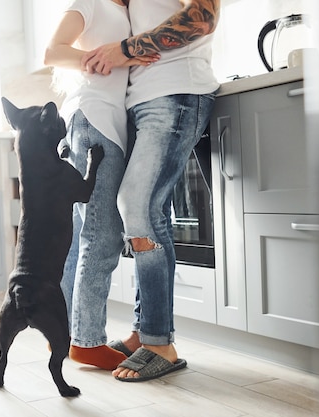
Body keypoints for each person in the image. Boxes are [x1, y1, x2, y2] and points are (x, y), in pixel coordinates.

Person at [80, 0, 221, 381]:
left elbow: (204, 17)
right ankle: (145, 332)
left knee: (138, 207)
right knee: (140, 212)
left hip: (176, 94)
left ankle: (160, 342)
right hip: (142, 102)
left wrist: (124, 49)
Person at [44, 0, 160, 371]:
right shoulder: (90, 3)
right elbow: (53, 51)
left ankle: (62, 334)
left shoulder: (126, 11)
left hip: (97, 122)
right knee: (103, 235)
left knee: (81, 236)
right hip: (94, 121)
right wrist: (110, 57)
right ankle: (87, 340)